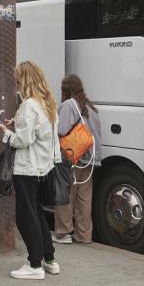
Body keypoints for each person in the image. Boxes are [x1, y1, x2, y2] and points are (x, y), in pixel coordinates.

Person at [0, 61, 61, 280]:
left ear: (25, 79)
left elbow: (23, 139)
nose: (17, 83)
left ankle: (34, 265)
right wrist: (19, 122)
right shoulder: (47, 102)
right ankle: (49, 259)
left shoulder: (29, 105)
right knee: (38, 212)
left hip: (27, 167)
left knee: (26, 215)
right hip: (44, 166)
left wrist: (6, 132)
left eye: (18, 79)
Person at [53, 74, 102, 245]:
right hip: (89, 158)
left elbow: (61, 130)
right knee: (84, 198)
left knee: (65, 195)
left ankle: (63, 233)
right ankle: (84, 234)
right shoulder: (90, 107)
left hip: (71, 157)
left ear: (65, 89)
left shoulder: (68, 105)